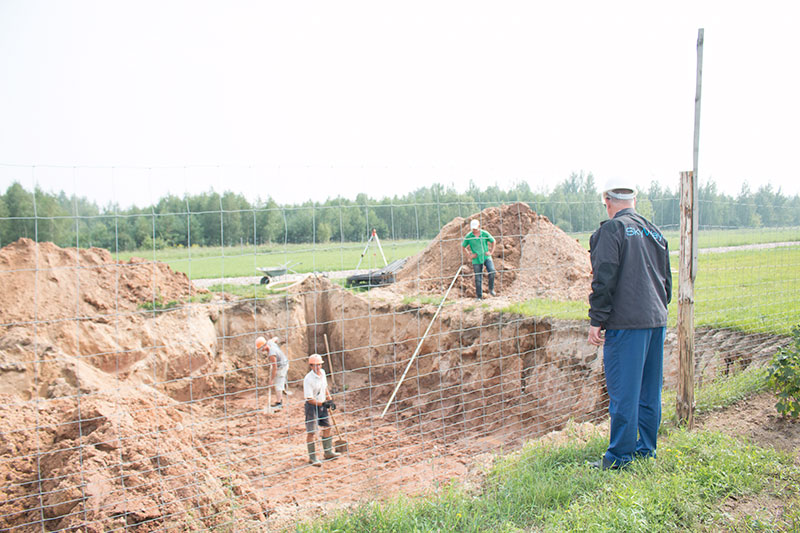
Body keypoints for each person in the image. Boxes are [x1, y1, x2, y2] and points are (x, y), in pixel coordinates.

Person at [587, 179, 672, 470]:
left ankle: (619, 458)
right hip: (655, 320)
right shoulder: (655, 231)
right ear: (634, 201)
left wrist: (597, 319)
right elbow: (667, 282)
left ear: (607, 202)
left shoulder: (612, 229)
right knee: (650, 390)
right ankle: (646, 449)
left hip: (627, 323)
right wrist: (657, 310)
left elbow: (605, 276)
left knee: (624, 392)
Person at [303, 353, 338, 466]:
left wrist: (330, 400)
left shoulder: (322, 373)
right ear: (311, 366)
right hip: (312, 407)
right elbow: (309, 399)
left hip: (322, 404)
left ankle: (328, 452)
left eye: (319, 365)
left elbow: (325, 387)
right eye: (315, 365)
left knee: (327, 427)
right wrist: (322, 403)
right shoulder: (308, 379)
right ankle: (312, 458)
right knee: (312, 432)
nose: (317, 368)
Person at [462, 219, 496, 299]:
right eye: (473, 228)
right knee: (478, 278)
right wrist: (469, 255)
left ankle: (491, 289)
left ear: (479, 226)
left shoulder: (484, 234)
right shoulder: (469, 236)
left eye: (475, 228)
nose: (474, 230)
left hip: (486, 256)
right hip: (476, 259)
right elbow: (463, 247)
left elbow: (493, 241)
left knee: (492, 271)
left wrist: (491, 252)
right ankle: (479, 296)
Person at [256, 336, 290, 411]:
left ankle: (279, 403)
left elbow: (274, 368)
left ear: (264, 346)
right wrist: (279, 340)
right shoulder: (270, 342)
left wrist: (271, 380)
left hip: (282, 366)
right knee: (279, 381)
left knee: (278, 385)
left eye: (261, 348)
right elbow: (275, 338)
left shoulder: (272, 354)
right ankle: (282, 389)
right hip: (284, 362)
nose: (261, 350)